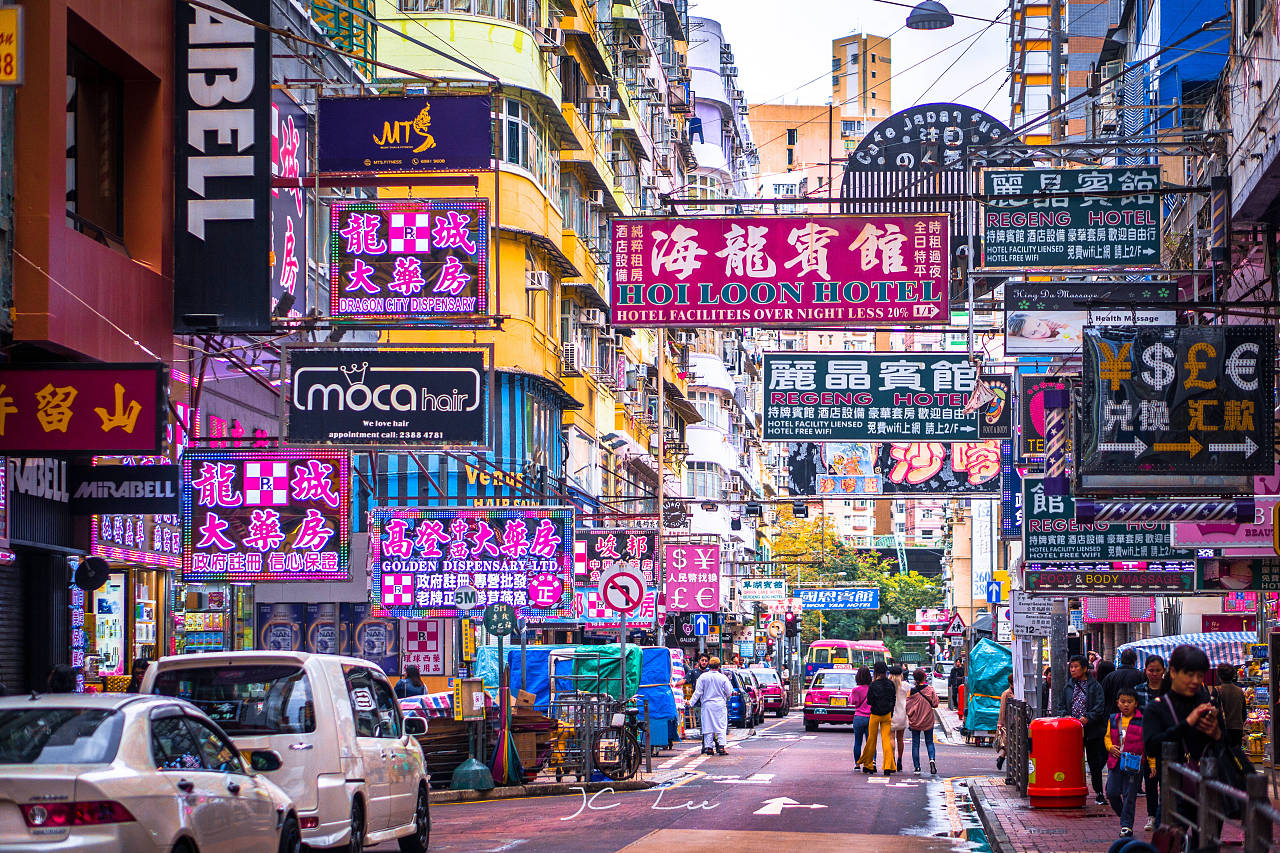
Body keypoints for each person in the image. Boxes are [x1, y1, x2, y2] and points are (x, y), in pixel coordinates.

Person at [1143, 645, 1223, 838]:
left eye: (1200, 675)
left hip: (1207, 790)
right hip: (1175, 791)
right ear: (1172, 672)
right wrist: (1188, 723)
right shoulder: (1157, 708)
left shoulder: (1206, 705)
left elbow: (1223, 748)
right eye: (1189, 674)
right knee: (1168, 842)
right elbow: (1152, 746)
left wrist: (1217, 734)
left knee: (1205, 845)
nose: (1195, 681)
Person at [1055, 653, 1107, 805]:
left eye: (1076, 666)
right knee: (1071, 762)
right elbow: (1061, 705)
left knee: (1094, 762)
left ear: (1085, 668)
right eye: (1071, 667)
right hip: (1072, 732)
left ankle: (1098, 793)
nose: (1072, 669)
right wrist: (1065, 716)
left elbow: (1100, 706)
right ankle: (1071, 789)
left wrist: (1088, 717)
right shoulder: (1068, 686)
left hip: (1091, 731)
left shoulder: (1095, 686)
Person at [1105, 687, 1145, 838]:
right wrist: (1110, 747)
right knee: (1111, 792)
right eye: (1123, 701)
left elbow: (1147, 743)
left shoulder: (1142, 720)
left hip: (1134, 764)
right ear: (1117, 703)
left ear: (1136, 703)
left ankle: (1126, 826)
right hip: (1115, 761)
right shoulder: (1113, 719)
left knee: (1129, 795)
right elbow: (1107, 737)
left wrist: (1152, 765)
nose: (1126, 705)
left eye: (1129, 702)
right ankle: (1125, 818)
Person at [1134, 655, 1166, 831]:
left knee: (1167, 782)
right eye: (1151, 670)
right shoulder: (1138, 690)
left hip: (1168, 743)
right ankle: (1152, 816)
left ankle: (1163, 817)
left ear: (1164, 671)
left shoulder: (1170, 691)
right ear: (1145, 670)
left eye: (1158, 670)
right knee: (1151, 781)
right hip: (1147, 744)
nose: (1154, 674)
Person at [859, 661, 898, 775]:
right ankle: (888, 766)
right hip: (887, 715)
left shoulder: (873, 685)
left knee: (871, 739)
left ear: (875, 671)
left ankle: (869, 765)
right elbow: (893, 699)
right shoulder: (890, 684)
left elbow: (869, 701)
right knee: (886, 740)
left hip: (875, 715)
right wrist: (890, 711)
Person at [689, 656, 733, 756]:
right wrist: (726, 698)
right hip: (719, 705)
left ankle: (709, 748)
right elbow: (729, 692)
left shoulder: (703, 677)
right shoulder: (723, 678)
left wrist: (690, 703)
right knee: (721, 726)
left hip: (707, 705)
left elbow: (698, 692)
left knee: (707, 726)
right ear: (719, 666)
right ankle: (721, 747)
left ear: (709, 665)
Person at [907, 667, 939, 775]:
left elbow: (907, 706)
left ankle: (917, 767)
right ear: (924, 677)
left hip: (915, 721)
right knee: (929, 742)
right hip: (927, 720)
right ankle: (932, 760)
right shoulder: (930, 689)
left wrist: (911, 715)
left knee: (915, 744)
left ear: (915, 679)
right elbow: (935, 704)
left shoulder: (911, 691)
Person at [1102, 649, 1146, 716]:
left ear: (1121, 660)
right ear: (1134, 661)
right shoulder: (1141, 676)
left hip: (1113, 716)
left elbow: (1103, 698)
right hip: (1135, 717)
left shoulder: (1110, 677)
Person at [1213, 662, 1247, 750]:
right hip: (1237, 729)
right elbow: (1244, 713)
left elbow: (1213, 711)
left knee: (1224, 757)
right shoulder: (1240, 691)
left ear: (1219, 676)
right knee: (1236, 756)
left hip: (1222, 729)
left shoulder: (1217, 690)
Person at [850, 667, 872, 764]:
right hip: (871, 717)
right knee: (870, 742)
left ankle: (857, 764)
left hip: (858, 717)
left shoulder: (856, 690)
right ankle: (872, 761)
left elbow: (852, 702)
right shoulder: (872, 688)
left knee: (857, 742)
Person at [890, 664, 910, 768]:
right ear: (901, 675)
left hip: (891, 714)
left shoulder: (888, 685)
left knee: (891, 738)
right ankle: (899, 760)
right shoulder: (906, 686)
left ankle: (892, 760)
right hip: (902, 714)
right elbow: (909, 699)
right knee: (900, 739)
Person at [996, 675, 1014, 780]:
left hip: (1016, 724)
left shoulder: (1019, 692)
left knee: (1011, 746)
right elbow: (1002, 709)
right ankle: (1010, 771)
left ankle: (1002, 758)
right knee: (1009, 746)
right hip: (1007, 724)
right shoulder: (1006, 694)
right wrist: (1000, 723)